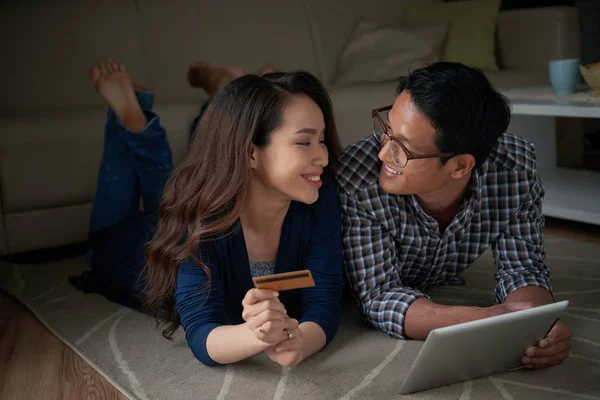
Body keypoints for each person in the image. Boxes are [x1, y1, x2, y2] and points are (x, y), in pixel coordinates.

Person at [70, 59, 344, 368]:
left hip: (201, 196)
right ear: (252, 152)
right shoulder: (198, 214)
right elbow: (201, 331)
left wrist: (300, 344)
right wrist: (259, 336)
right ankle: (134, 118)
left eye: (321, 139)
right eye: (304, 142)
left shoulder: (319, 196)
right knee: (146, 210)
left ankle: (220, 91)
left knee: (182, 186)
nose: (323, 156)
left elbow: (325, 298)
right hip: (123, 243)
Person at [334, 62, 571, 370]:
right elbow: (380, 296)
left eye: (403, 148)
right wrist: (480, 319)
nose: (383, 153)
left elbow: (523, 269)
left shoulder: (514, 171)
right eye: (386, 130)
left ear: (460, 166)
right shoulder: (358, 179)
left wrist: (537, 324)